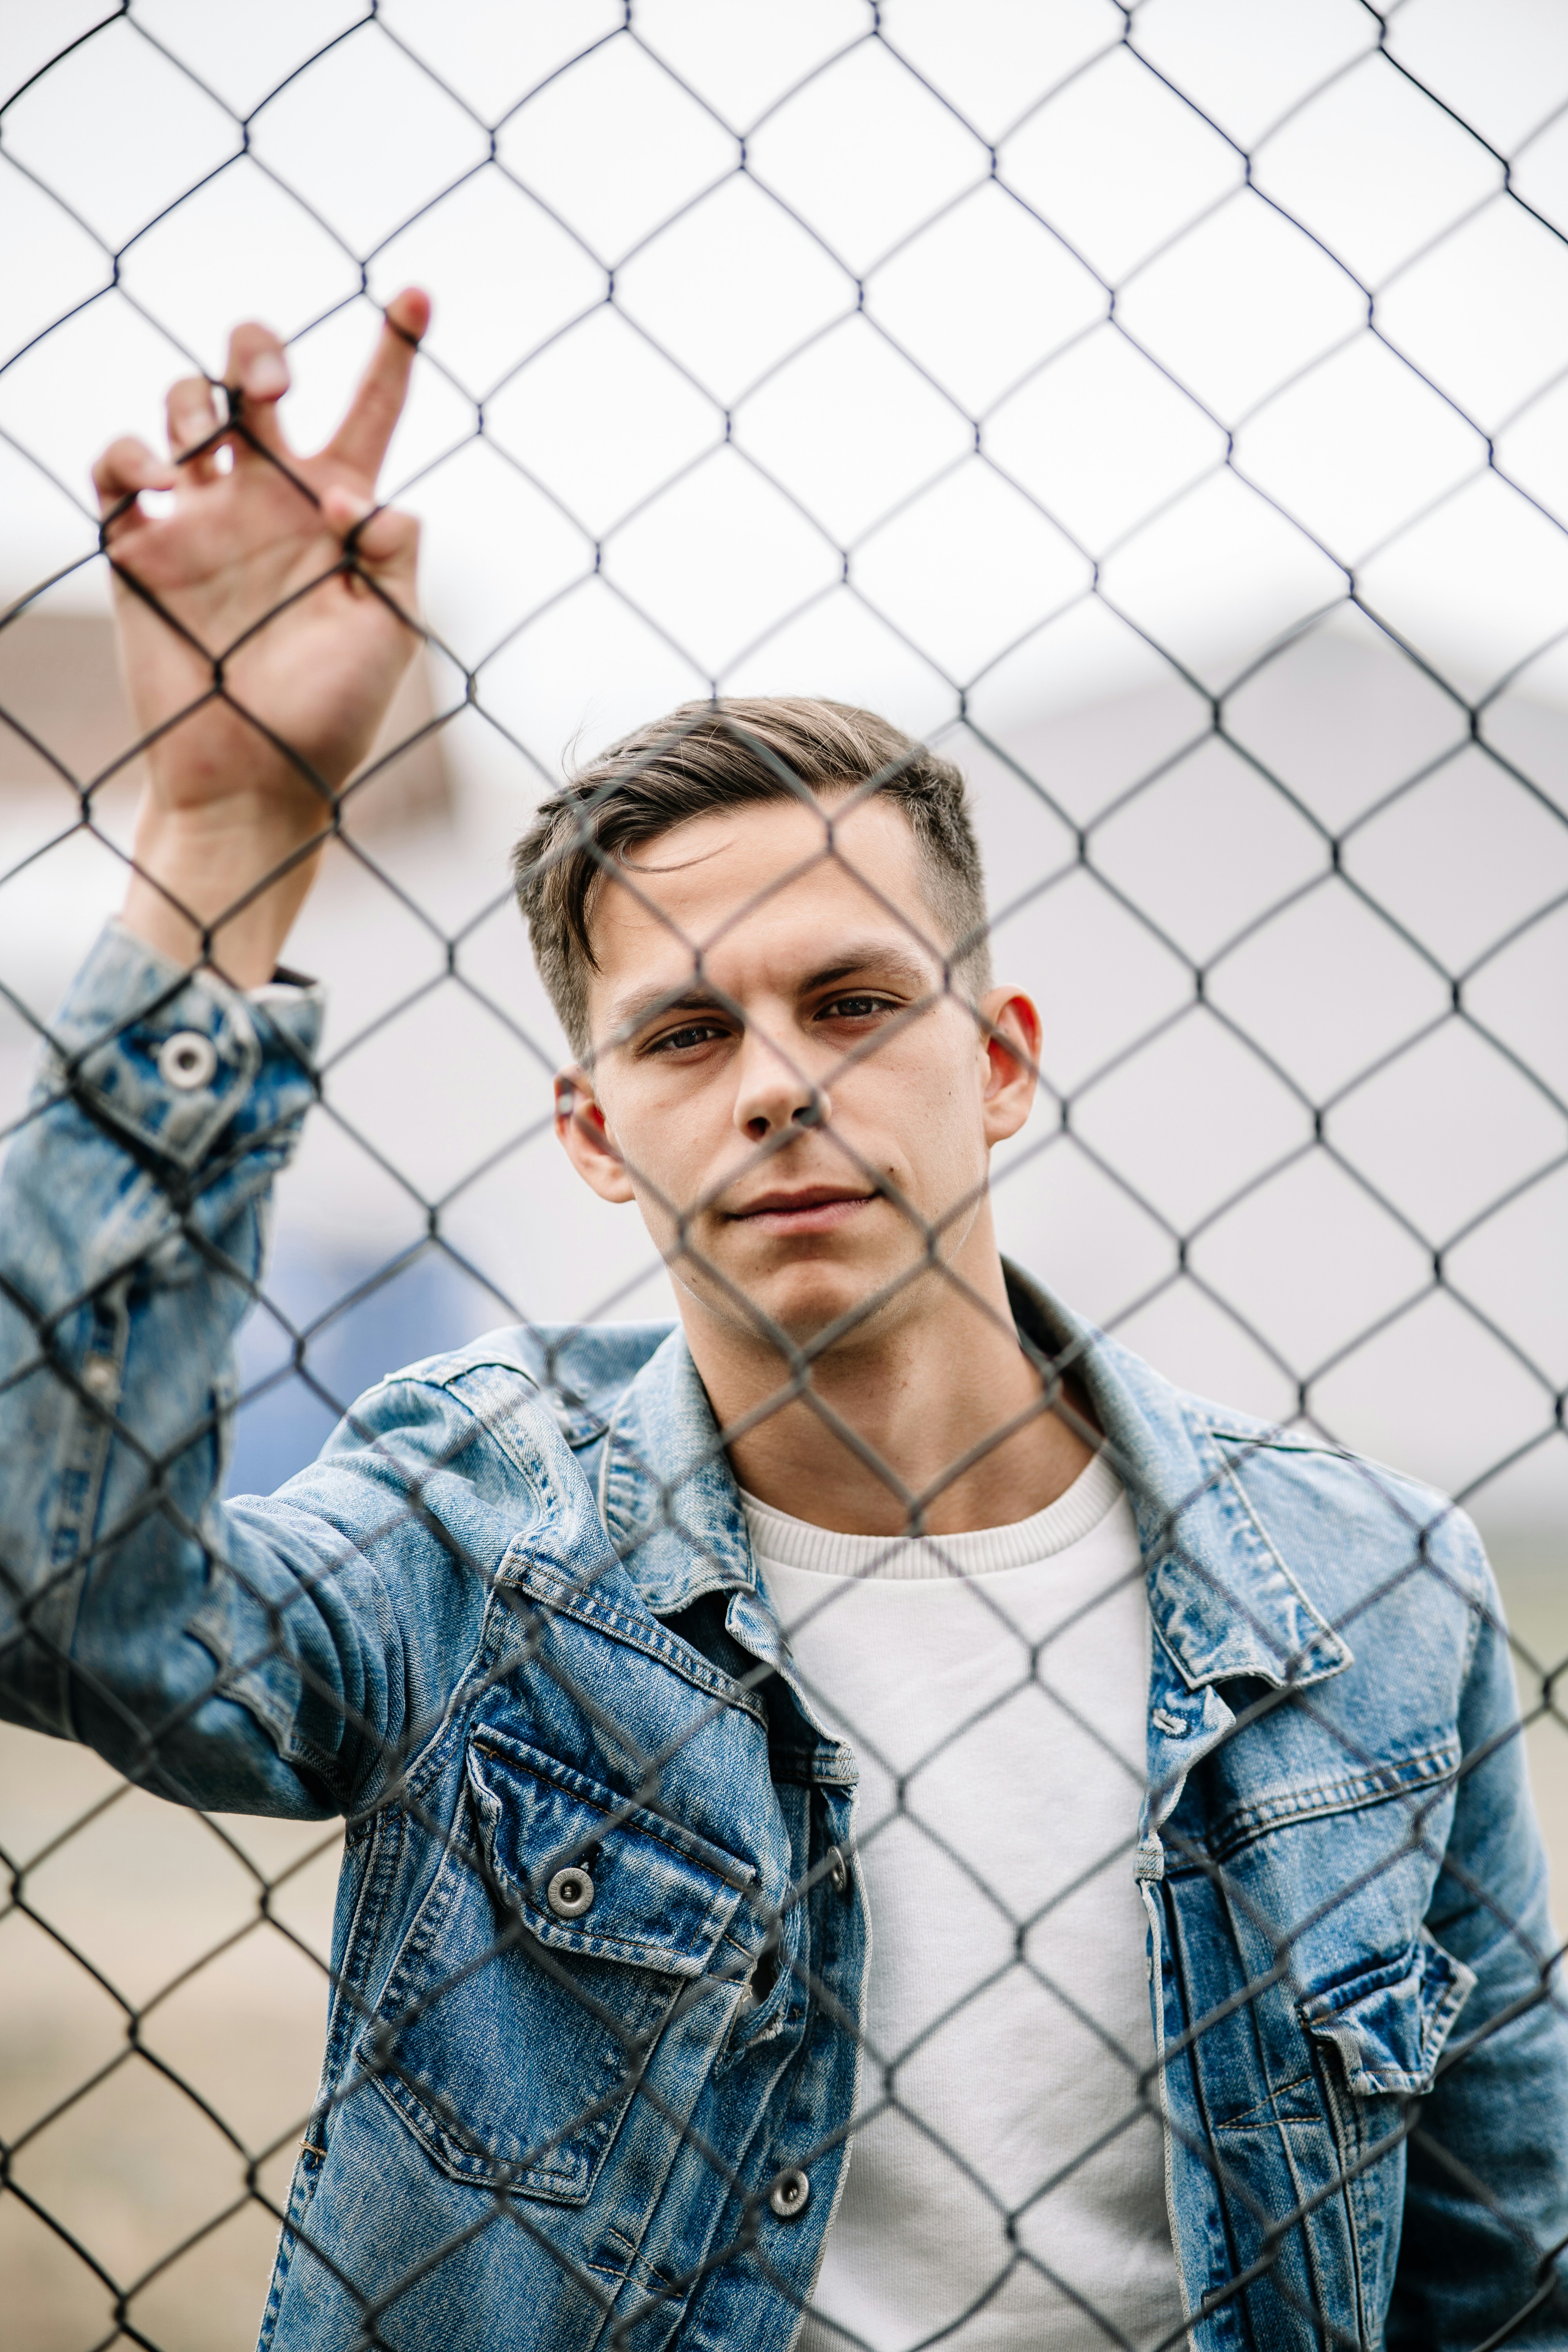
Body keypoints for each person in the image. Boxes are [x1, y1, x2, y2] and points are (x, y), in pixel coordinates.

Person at [0, 296, 1564, 2352]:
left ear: (997, 1062)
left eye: (852, 1004)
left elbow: (1500, 2285)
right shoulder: (478, 1539)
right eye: (683, 1034)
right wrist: (224, 845)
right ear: (595, 1133)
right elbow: (61, 1603)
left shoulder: (1382, 1596)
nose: (776, 1087)